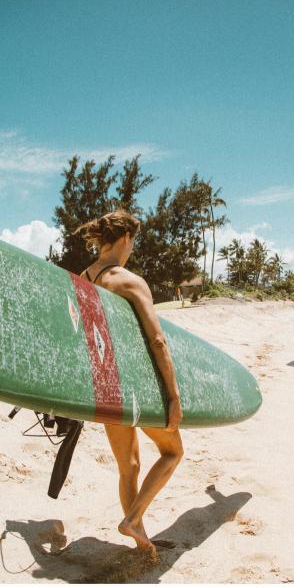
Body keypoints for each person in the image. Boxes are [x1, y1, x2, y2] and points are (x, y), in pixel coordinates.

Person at [74, 210, 183, 559]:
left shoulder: (84, 277)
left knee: (129, 467)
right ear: (125, 239)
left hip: (103, 386)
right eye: (133, 241)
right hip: (133, 388)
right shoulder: (129, 281)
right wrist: (173, 395)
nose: (132, 248)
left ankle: (141, 539)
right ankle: (133, 519)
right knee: (173, 451)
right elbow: (157, 342)